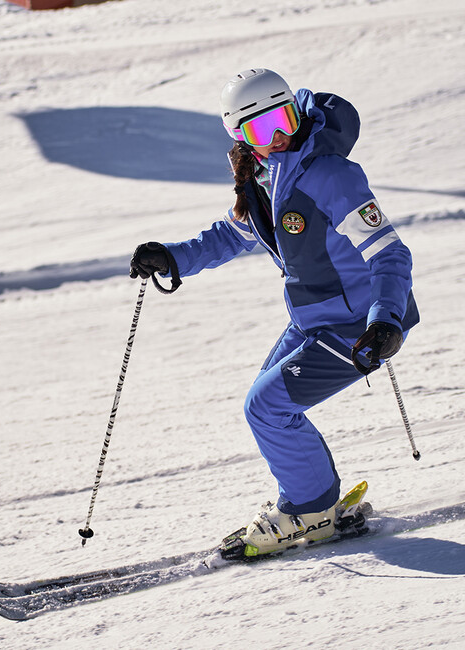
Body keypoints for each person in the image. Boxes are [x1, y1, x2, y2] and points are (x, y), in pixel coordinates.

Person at [128, 69, 418, 557]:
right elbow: (233, 234)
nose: (278, 134)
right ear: (241, 136)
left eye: (284, 118)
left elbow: (390, 253)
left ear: (296, 109)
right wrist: (174, 257)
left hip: (361, 323)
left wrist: (386, 320)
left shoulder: (328, 174)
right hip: (316, 320)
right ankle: (313, 501)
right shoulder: (265, 176)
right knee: (269, 405)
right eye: (261, 130)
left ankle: (308, 510)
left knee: (268, 406)